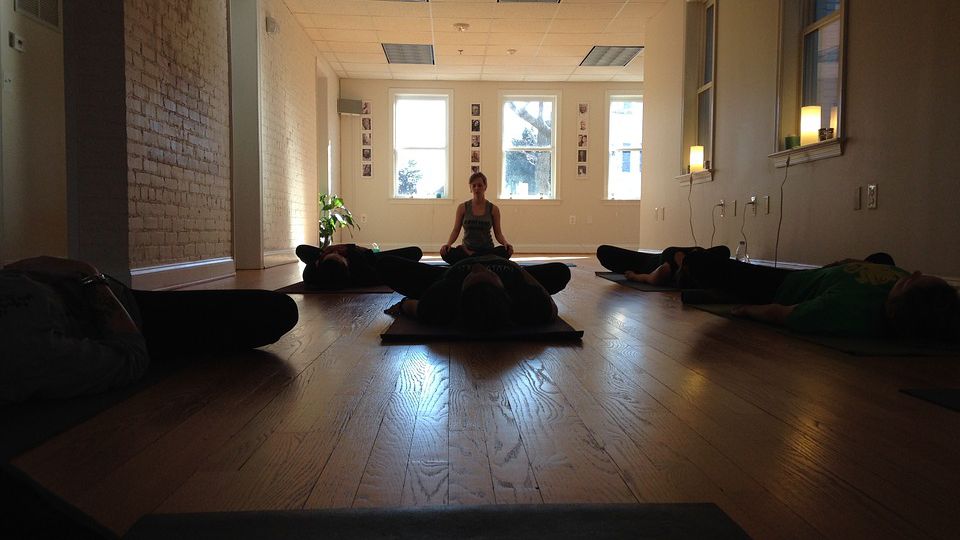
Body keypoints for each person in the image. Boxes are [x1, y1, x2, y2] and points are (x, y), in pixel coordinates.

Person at [0, 256, 299, 402]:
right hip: (136, 318)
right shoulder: (22, 350)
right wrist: (89, 277)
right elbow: (130, 356)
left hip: (119, 296)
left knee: (277, 308)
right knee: (277, 310)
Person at [677, 250, 960, 339]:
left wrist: (747, 309)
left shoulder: (845, 308)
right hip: (824, 275)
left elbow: (783, 313)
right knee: (882, 256)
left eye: (910, 283)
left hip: (784, 286)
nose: (915, 274)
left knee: (701, 262)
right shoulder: (919, 292)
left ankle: (685, 269)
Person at [377, 254, 570, 332]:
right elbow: (552, 308)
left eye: (472, 275)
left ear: (461, 290)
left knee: (384, 265)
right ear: (503, 289)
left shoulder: (441, 301)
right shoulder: (525, 302)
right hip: (511, 270)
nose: (479, 267)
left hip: (444, 274)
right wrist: (521, 271)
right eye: (489, 274)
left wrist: (402, 306)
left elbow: (411, 306)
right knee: (561, 271)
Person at [440, 171, 513, 265]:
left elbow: (498, 233)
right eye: (474, 185)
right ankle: (481, 261)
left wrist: (505, 243)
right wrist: (448, 244)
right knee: (446, 252)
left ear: (485, 187)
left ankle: (471, 261)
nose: (477, 188)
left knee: (506, 251)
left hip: (487, 250)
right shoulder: (462, 207)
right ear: (470, 188)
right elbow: (455, 230)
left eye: (480, 185)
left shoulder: (493, 209)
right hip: (467, 250)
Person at [295, 243, 422, 290]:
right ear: (347, 262)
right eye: (338, 253)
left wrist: (326, 252)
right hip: (371, 260)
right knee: (415, 252)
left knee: (301, 249)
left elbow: (302, 250)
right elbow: (368, 253)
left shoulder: (313, 273)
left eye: (335, 253)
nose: (336, 251)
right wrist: (350, 248)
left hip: (335, 264)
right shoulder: (362, 272)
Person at [597, 244, 731, 287]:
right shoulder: (697, 257)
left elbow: (652, 278)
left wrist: (634, 276)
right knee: (724, 250)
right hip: (658, 258)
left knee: (603, 251)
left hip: (647, 263)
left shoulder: (669, 269)